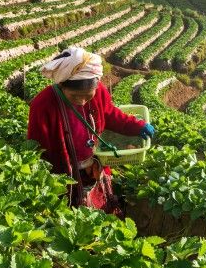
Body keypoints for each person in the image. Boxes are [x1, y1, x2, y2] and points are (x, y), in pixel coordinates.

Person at [27, 47, 155, 207]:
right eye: (75, 96)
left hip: (94, 165)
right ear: (62, 85)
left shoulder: (100, 92)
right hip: (66, 173)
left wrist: (137, 126)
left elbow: (110, 115)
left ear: (97, 85)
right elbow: (37, 147)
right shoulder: (43, 104)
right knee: (72, 207)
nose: (82, 101)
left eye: (88, 95)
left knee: (101, 202)